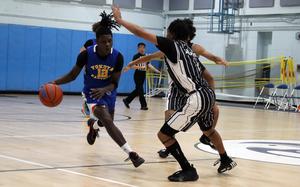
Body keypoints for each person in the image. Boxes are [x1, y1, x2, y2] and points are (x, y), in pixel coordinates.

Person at [112, 6, 236, 181]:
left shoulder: (172, 45)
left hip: (196, 97)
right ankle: (225, 159)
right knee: (208, 130)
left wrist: (120, 20)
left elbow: (141, 32)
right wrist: (217, 60)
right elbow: (205, 72)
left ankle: (188, 169)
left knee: (163, 134)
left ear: (171, 33)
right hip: (206, 94)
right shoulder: (189, 51)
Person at [50, 11, 144, 168]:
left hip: (108, 91)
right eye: (103, 41)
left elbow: (115, 83)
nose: (107, 44)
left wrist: (105, 90)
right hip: (91, 93)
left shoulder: (118, 57)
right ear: (97, 42)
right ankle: (132, 154)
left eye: (110, 41)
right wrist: (54, 82)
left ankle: (92, 126)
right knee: (107, 120)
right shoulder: (86, 55)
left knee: (107, 122)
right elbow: (73, 75)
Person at [122, 43, 160, 110]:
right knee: (141, 90)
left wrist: (157, 71)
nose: (142, 49)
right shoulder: (136, 56)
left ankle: (127, 100)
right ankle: (143, 105)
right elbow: (132, 66)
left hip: (143, 75)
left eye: (143, 47)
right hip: (137, 75)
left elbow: (149, 65)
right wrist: (141, 67)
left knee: (138, 90)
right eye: (141, 47)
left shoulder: (146, 56)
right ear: (138, 48)